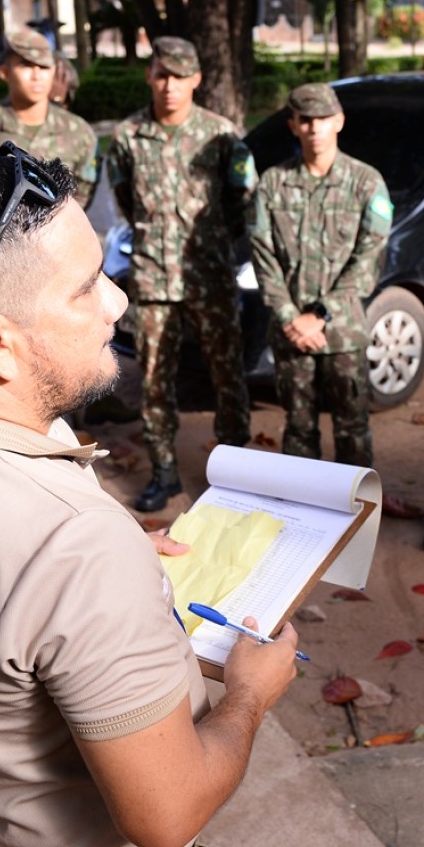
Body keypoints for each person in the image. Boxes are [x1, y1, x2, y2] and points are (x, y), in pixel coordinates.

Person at [0, 147, 299, 846]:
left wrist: (85, 590)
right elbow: (166, 816)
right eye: (84, 289)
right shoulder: (73, 546)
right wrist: (251, 696)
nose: (116, 301)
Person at [107, 36, 257, 513]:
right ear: (150, 76)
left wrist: (211, 244)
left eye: (180, 75)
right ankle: (165, 472)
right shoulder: (128, 136)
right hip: (153, 278)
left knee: (227, 373)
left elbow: (242, 205)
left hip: (209, 275)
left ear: (196, 79)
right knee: (155, 379)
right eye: (161, 74)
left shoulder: (221, 134)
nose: (170, 85)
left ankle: (235, 474)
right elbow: (127, 201)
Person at [249, 84, 391, 466]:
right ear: (293, 125)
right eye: (306, 120)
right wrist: (289, 318)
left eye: (323, 119)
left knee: (352, 430)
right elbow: (263, 256)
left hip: (343, 334)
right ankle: (303, 517)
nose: (315, 128)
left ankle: (358, 515)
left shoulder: (366, 183)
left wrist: (320, 314)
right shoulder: (272, 184)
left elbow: (369, 259)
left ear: (339, 121)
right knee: (298, 430)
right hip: (291, 333)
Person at [0, 30, 99, 209]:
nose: (36, 75)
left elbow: (81, 198)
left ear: (54, 71)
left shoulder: (79, 132)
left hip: (59, 234)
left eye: (44, 67)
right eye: (26, 65)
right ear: (4, 72)